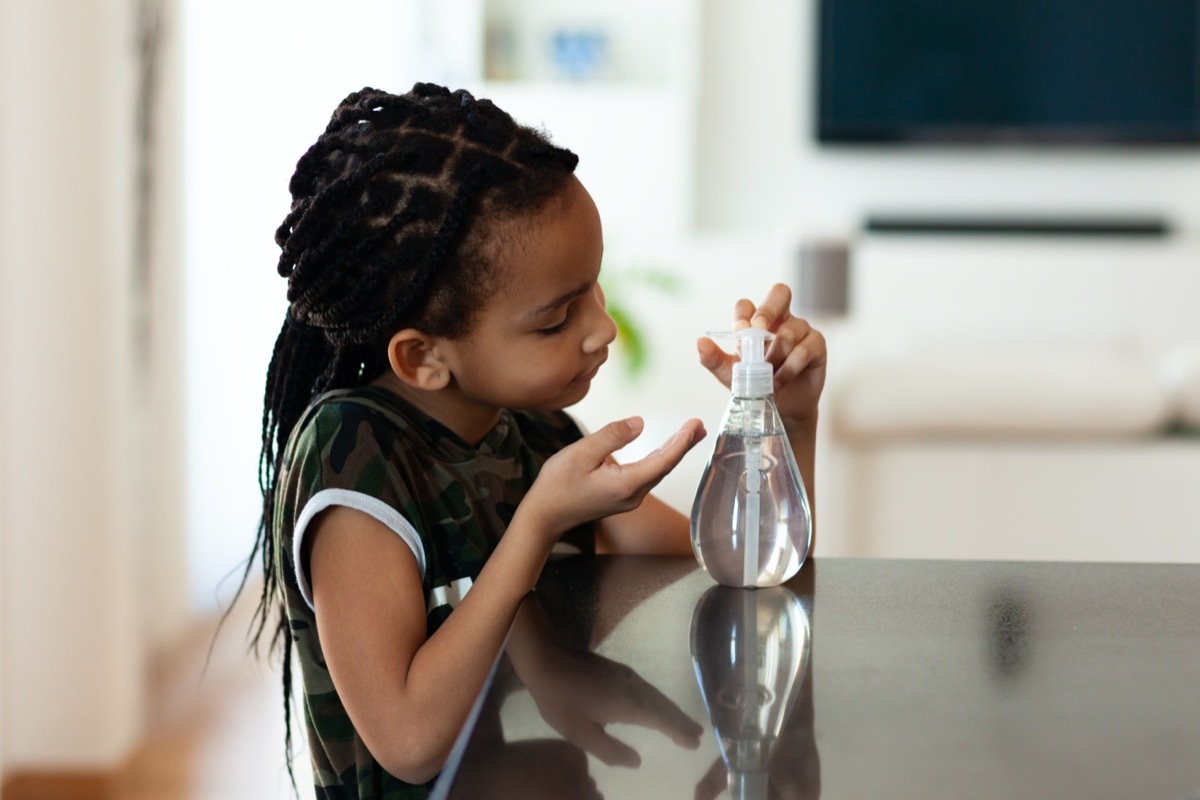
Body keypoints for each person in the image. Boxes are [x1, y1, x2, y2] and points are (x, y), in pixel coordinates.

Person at [242, 82, 827, 799]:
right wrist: (537, 524)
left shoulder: (532, 436)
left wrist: (787, 420)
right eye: (555, 320)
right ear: (423, 358)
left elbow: (747, 572)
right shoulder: (355, 453)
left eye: (594, 289)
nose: (603, 329)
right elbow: (410, 744)